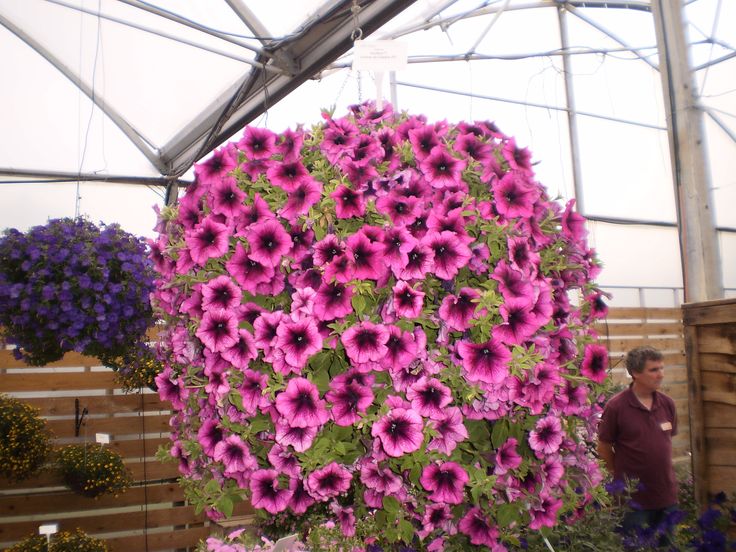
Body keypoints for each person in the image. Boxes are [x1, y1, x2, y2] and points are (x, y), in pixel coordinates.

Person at [597, 346, 678, 540]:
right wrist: (616, 474)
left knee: (668, 547)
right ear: (635, 373)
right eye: (654, 370)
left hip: (666, 497)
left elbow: (665, 445)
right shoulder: (616, 406)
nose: (661, 374)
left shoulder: (667, 404)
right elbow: (604, 446)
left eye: (661, 368)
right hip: (633, 501)